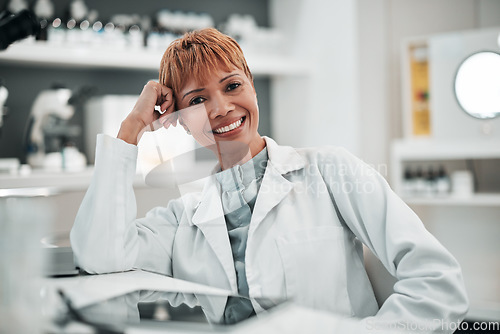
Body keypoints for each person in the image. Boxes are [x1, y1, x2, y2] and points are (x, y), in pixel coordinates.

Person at [70, 28, 468, 331]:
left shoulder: (330, 171)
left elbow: (438, 283)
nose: (222, 108)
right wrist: (131, 129)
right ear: (178, 120)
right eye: (197, 100)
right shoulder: (183, 220)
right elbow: (100, 258)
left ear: (252, 86)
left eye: (232, 86)